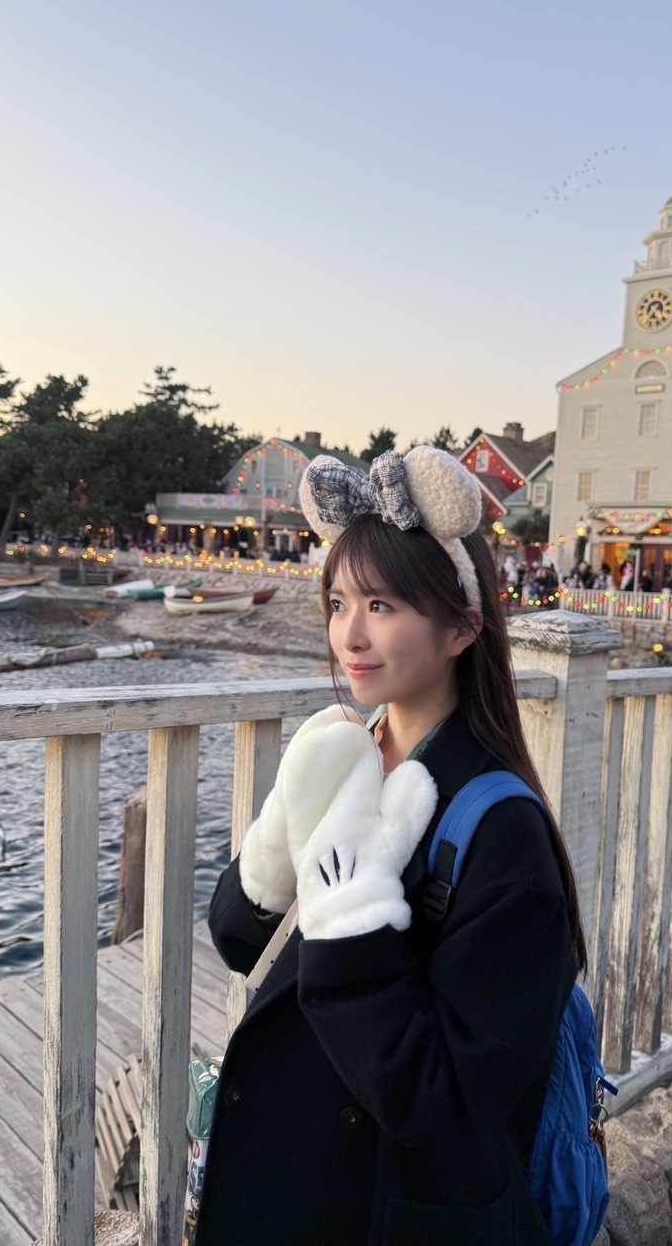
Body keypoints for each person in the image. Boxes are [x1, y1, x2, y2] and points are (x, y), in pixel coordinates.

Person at [196, 446, 584, 1245]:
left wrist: (351, 930)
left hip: (383, 1212)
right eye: (339, 602)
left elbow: (456, 1101)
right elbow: (239, 942)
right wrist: (279, 836)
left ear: (462, 628)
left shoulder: (503, 834)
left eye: (382, 605)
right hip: (297, 1176)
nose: (350, 635)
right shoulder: (349, 756)